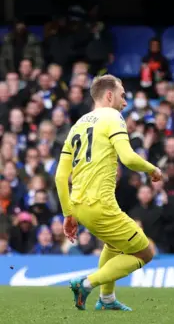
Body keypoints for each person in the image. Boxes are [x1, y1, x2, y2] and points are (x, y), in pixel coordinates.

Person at [55, 75, 162, 311]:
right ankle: (86, 283)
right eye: (123, 96)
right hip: (100, 204)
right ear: (110, 95)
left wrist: (68, 214)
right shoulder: (113, 116)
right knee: (145, 253)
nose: (125, 102)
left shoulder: (77, 125)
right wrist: (153, 169)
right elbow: (128, 158)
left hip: (80, 206)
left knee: (114, 245)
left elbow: (60, 177)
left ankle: (107, 299)